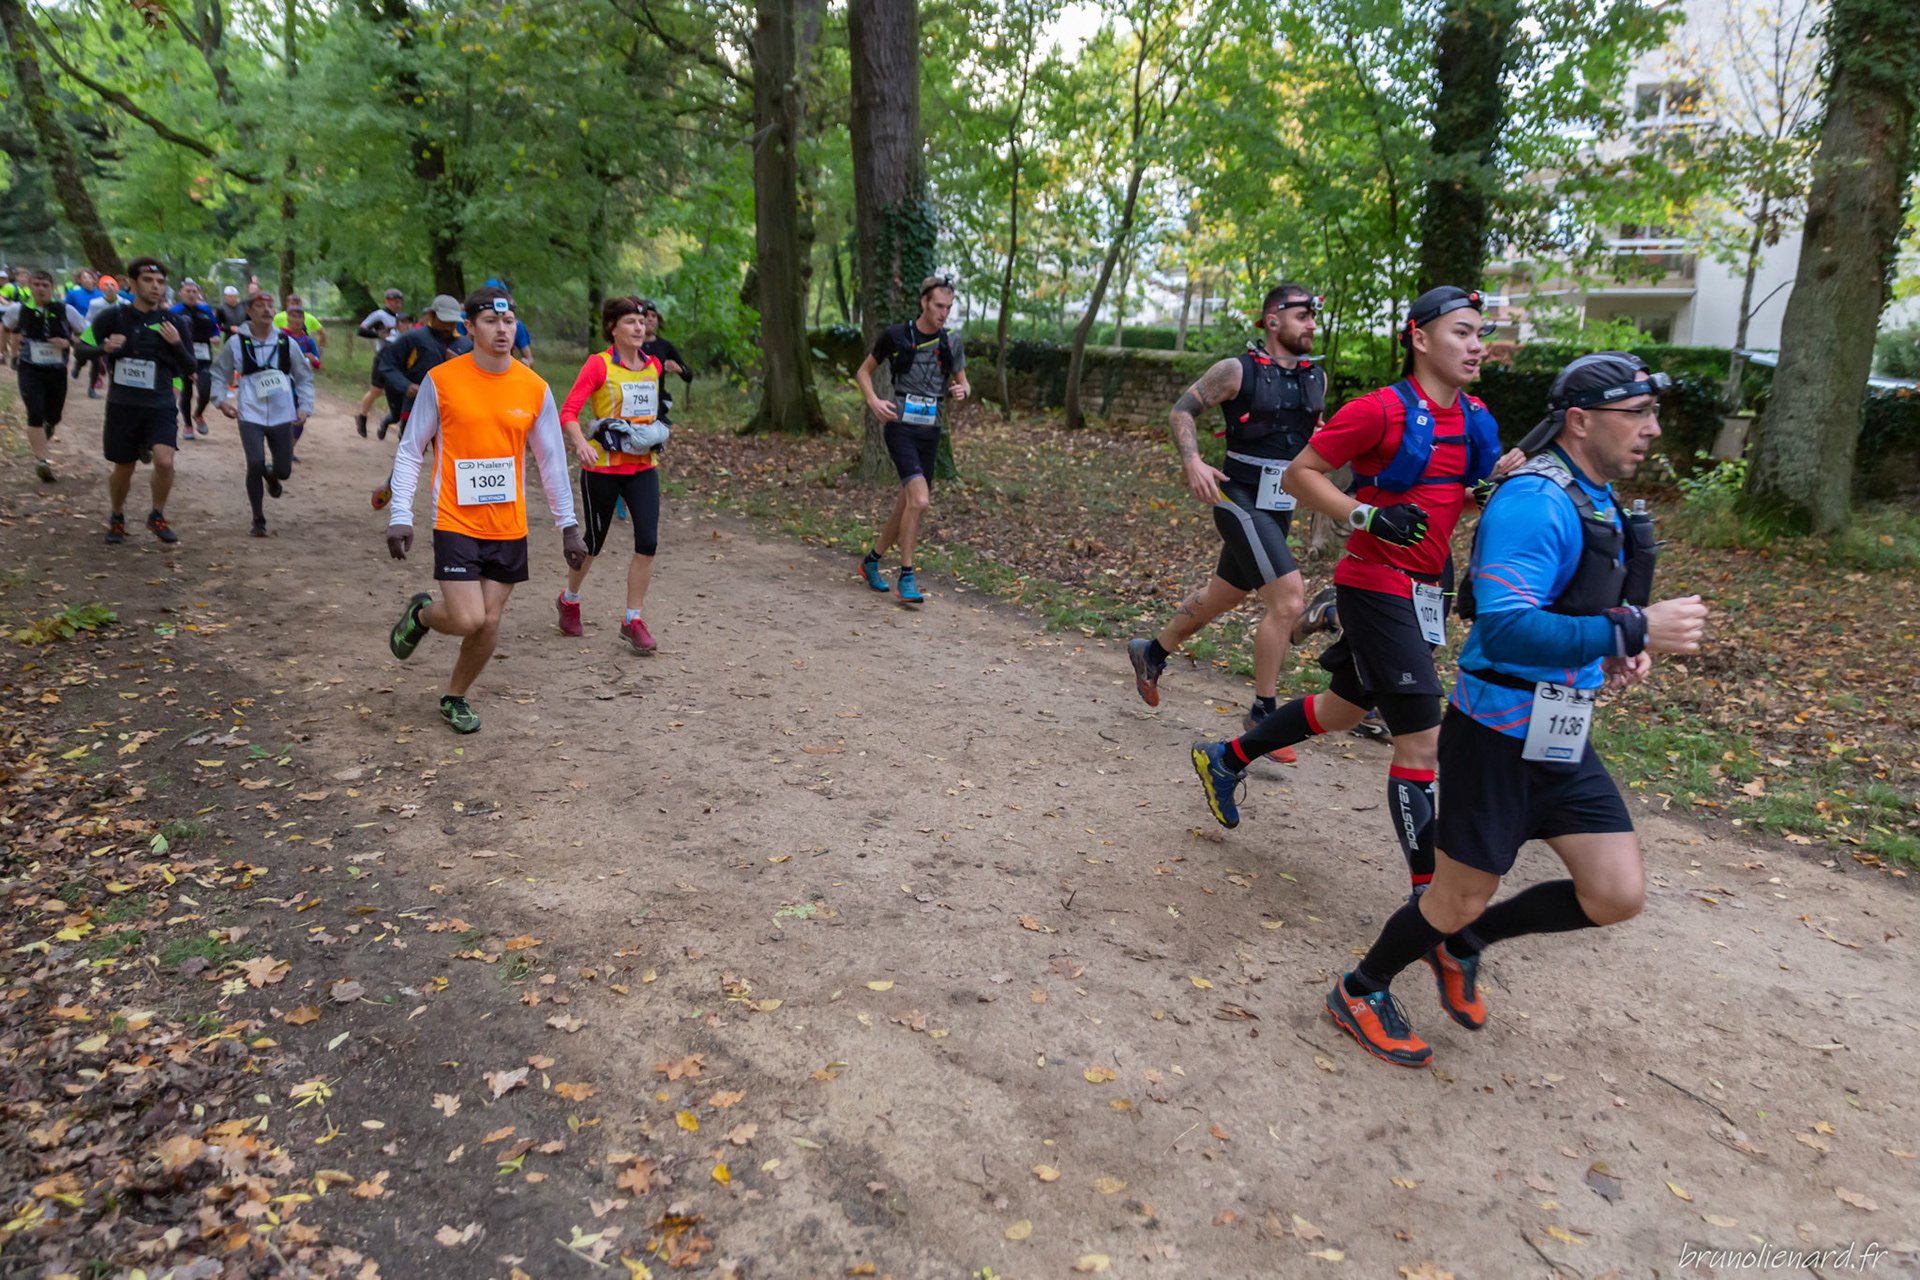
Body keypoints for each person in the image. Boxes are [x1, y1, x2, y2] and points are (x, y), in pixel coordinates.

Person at [1325, 352, 1708, 1067]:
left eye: (1653, 413)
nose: (1652, 428)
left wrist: (1622, 646)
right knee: (1455, 898)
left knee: (1616, 893)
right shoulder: (1535, 501)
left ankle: (1462, 948)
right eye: (1637, 413)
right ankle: (1361, 989)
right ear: (1580, 421)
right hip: (1496, 738)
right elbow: (1503, 629)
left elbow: (1580, 606)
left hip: (1562, 734)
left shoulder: (1596, 497)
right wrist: (1633, 629)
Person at [1189, 286, 1523, 900]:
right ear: (1420, 339)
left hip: (1430, 588)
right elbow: (1300, 475)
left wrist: (1490, 493)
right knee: (1421, 740)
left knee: (1343, 708)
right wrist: (1366, 515)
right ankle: (1431, 903)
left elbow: (1451, 503)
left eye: (1481, 334)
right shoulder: (1379, 411)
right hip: (1376, 585)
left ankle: (1226, 756)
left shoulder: (1475, 419)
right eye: (1462, 332)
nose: (1477, 346)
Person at [1126, 284, 1327, 761]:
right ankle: (1263, 713)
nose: (1312, 326)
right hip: (1236, 496)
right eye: (1303, 316)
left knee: (1224, 595)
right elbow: (1182, 410)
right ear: (1273, 320)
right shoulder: (1237, 370)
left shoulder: (1315, 377)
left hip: (1280, 504)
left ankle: (1151, 652)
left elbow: (1313, 437)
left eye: (1314, 317)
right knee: (1289, 599)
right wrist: (1193, 461)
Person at [383, 285, 587, 735]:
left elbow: (552, 461)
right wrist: (400, 514)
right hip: (455, 519)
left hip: (507, 525)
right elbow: (411, 449)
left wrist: (568, 526)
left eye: (509, 321)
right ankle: (421, 614)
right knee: (468, 618)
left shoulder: (534, 388)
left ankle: (454, 696)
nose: (502, 329)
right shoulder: (442, 380)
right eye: (491, 321)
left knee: (489, 621)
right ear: (469, 328)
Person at [556, 296, 667, 653]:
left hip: (642, 467)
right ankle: (570, 599)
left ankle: (632, 619)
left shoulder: (654, 366)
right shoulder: (598, 365)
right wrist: (580, 443)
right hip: (602, 467)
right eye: (631, 322)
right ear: (612, 328)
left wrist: (655, 433)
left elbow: (653, 411)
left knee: (647, 543)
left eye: (642, 322)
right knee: (594, 542)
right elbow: (568, 412)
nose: (639, 327)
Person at [854, 275, 970, 604]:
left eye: (948, 307)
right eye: (938, 306)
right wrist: (874, 401)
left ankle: (871, 562)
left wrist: (963, 390)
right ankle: (906, 577)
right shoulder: (896, 335)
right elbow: (863, 372)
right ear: (924, 302)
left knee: (907, 504)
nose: (943, 313)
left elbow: (965, 383)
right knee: (919, 501)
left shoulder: (951, 342)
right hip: (900, 428)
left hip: (930, 434)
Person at [93, 257, 195, 545]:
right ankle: (117, 516)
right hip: (123, 405)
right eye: (148, 281)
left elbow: (190, 367)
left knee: (164, 461)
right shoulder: (113, 317)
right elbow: (82, 348)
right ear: (132, 284)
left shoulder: (174, 322)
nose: (156, 286)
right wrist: (104, 347)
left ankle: (157, 515)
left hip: (160, 404)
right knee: (124, 467)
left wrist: (176, 344)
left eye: (161, 282)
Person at [210, 291, 314, 537]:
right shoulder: (236, 343)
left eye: (270, 306)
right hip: (250, 413)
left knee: (284, 471)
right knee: (254, 463)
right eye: (260, 306)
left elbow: (304, 377)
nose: (267, 310)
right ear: (249, 310)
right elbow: (219, 372)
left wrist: (305, 407)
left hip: (282, 413)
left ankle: (273, 475)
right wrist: (220, 401)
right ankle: (258, 518)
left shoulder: (287, 343)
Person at [370, 294, 471, 506]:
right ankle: (393, 485)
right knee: (412, 452)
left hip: (452, 411)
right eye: (444, 320)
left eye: (453, 321)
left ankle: (454, 505)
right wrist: (406, 385)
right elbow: (387, 364)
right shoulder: (413, 338)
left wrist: (459, 365)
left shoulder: (465, 345)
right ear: (431, 316)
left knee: (451, 457)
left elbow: (477, 378)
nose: (449, 325)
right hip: (417, 407)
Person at [4, 269, 87, 483]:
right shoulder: (18, 310)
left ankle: (48, 427)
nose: (41, 289)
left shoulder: (66, 310)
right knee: (34, 411)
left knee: (54, 415)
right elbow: (5, 327)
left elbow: (88, 335)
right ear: (30, 287)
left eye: (45, 286)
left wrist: (68, 342)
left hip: (56, 371)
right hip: (29, 369)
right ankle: (42, 462)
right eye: (37, 285)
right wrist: (5, 352)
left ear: (52, 288)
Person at [171, 280, 221, 438]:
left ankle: (198, 414)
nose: (192, 294)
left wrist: (216, 336)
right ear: (181, 293)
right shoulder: (175, 311)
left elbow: (215, 327)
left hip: (204, 357)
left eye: (194, 291)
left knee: (206, 390)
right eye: (188, 291)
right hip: (184, 357)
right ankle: (187, 425)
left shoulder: (205, 310)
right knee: (187, 392)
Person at [353, 287, 406, 436]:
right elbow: (361, 330)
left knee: (402, 391)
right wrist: (378, 335)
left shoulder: (400, 317)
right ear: (387, 301)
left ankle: (401, 425)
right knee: (375, 391)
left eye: (399, 302)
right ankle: (362, 416)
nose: (398, 305)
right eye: (395, 302)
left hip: (398, 360)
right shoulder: (379, 315)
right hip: (382, 357)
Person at [78, 275, 121, 398]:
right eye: (106, 285)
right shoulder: (95, 303)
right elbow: (88, 320)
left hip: (115, 339)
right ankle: (91, 388)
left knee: (113, 365)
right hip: (96, 337)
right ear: (102, 289)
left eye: (112, 285)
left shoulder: (124, 303)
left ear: (117, 288)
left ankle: (115, 392)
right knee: (94, 362)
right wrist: (92, 332)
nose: (110, 288)